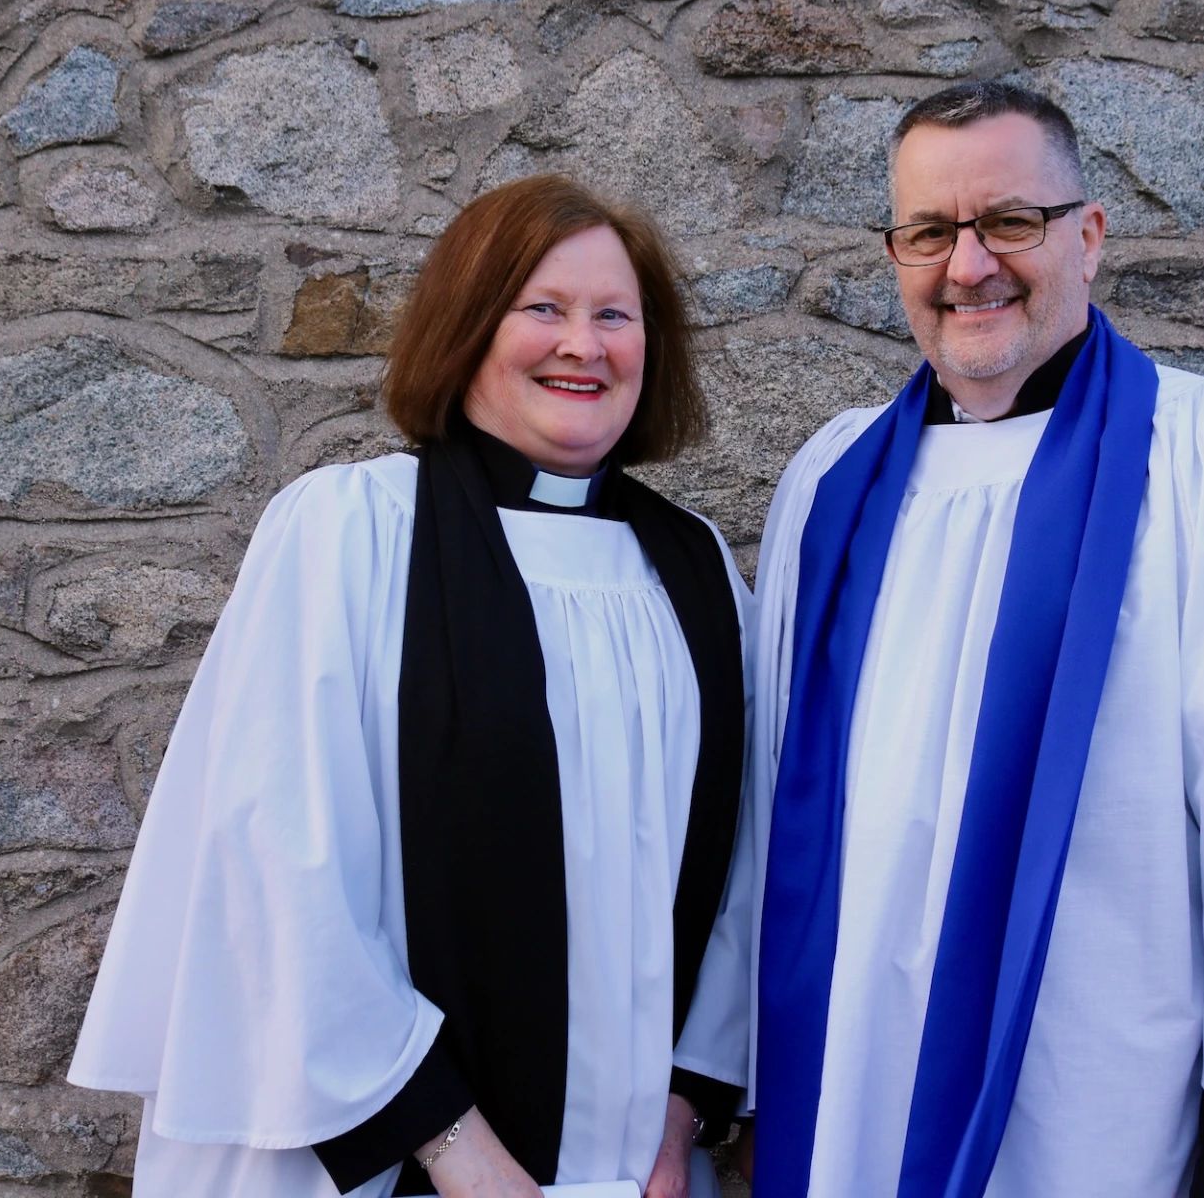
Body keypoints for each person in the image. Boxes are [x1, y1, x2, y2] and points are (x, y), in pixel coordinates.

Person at [692, 81, 1204, 1196]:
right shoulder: (832, 482)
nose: (968, 266)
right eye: (928, 232)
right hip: (847, 1113)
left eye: (1010, 221)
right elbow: (771, 832)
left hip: (1106, 1123)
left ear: (1089, 235)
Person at [69, 176, 753, 1198]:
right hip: (396, 1154)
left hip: (634, 1166)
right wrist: (453, 1147)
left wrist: (679, 1113)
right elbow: (275, 848)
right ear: (469, 328)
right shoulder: (356, 529)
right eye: (544, 309)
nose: (586, 343)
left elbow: (744, 855)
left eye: (616, 314)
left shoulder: (692, 567)